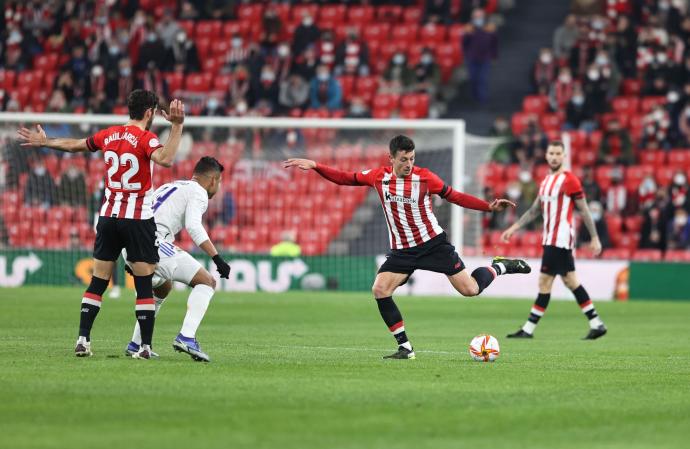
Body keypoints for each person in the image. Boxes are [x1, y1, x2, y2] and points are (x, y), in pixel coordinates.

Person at [284, 135, 531, 360]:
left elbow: (455, 196)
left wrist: (488, 207)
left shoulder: (425, 178)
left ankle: (499, 267)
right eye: (403, 159)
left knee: (470, 289)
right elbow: (346, 178)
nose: (408, 164)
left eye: (412, 159)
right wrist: (317, 166)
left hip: (433, 244)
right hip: (402, 251)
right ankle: (406, 348)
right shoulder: (378, 177)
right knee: (380, 289)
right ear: (390, 158)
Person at [17, 90, 186, 359]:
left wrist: (46, 141)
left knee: (98, 281)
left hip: (108, 217)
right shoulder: (146, 138)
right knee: (144, 284)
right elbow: (165, 159)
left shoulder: (109, 135)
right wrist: (177, 126)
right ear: (149, 112)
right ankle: (144, 348)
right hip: (137, 218)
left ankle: (83, 340)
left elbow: (75, 146)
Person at [124, 156, 231, 362]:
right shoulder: (198, 192)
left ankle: (136, 343)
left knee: (163, 288)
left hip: (133, 241)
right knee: (207, 282)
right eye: (219, 182)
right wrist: (217, 258)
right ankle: (186, 338)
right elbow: (193, 226)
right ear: (212, 181)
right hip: (154, 244)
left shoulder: (170, 186)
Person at [501, 141, 607, 340]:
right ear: (547, 155)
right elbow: (534, 210)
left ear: (564, 156)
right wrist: (514, 228)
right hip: (550, 238)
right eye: (551, 153)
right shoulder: (546, 181)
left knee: (545, 282)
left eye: (558, 153)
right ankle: (596, 323)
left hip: (560, 238)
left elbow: (584, 209)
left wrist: (594, 237)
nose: (554, 157)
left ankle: (528, 330)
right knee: (571, 281)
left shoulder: (570, 180)